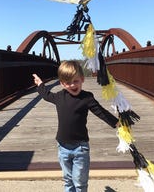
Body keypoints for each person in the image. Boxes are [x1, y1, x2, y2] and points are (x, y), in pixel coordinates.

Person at [32, 60, 119, 192]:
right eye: (67, 82)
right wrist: (40, 84)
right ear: (62, 83)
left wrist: (117, 123)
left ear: (82, 79)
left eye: (76, 81)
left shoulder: (87, 98)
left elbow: (100, 112)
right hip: (62, 147)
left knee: (79, 182)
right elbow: (46, 95)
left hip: (80, 148)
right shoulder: (59, 97)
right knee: (68, 180)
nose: (72, 85)